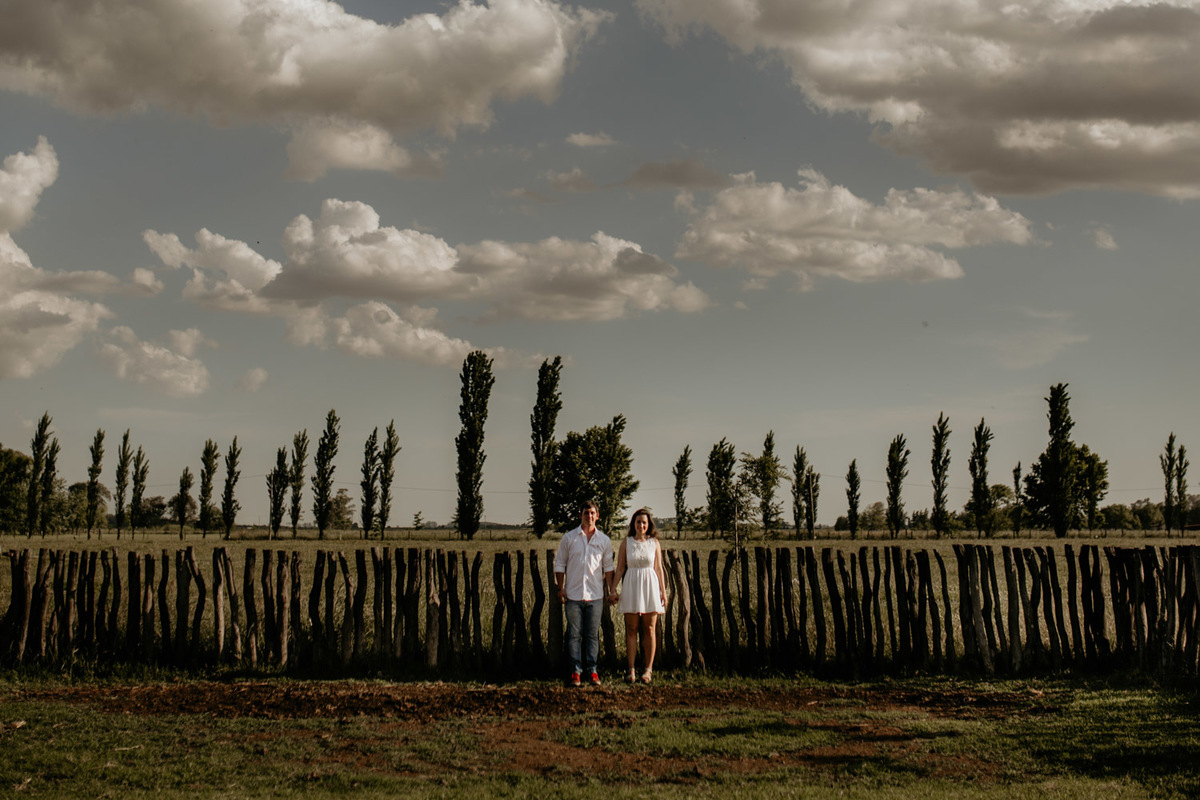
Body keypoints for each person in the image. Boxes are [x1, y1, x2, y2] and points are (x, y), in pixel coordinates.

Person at [553, 500, 617, 686]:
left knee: (592, 635)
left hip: (595, 596)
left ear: (597, 516)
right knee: (573, 634)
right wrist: (560, 588)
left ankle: (592, 670)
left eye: (592, 513)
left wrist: (611, 591)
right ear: (580, 515)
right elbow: (560, 564)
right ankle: (575, 671)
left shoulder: (603, 540)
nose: (589, 516)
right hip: (573, 595)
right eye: (585, 513)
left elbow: (609, 568)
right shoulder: (569, 538)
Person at [615, 508, 666, 684]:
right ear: (633, 524)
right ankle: (631, 669)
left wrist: (663, 592)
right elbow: (620, 567)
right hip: (631, 585)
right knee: (631, 629)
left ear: (648, 524)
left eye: (644, 522)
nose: (641, 525)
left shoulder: (654, 543)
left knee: (650, 629)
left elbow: (659, 569)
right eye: (638, 522)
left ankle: (648, 669)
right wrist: (613, 589)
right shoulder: (626, 542)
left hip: (650, 587)